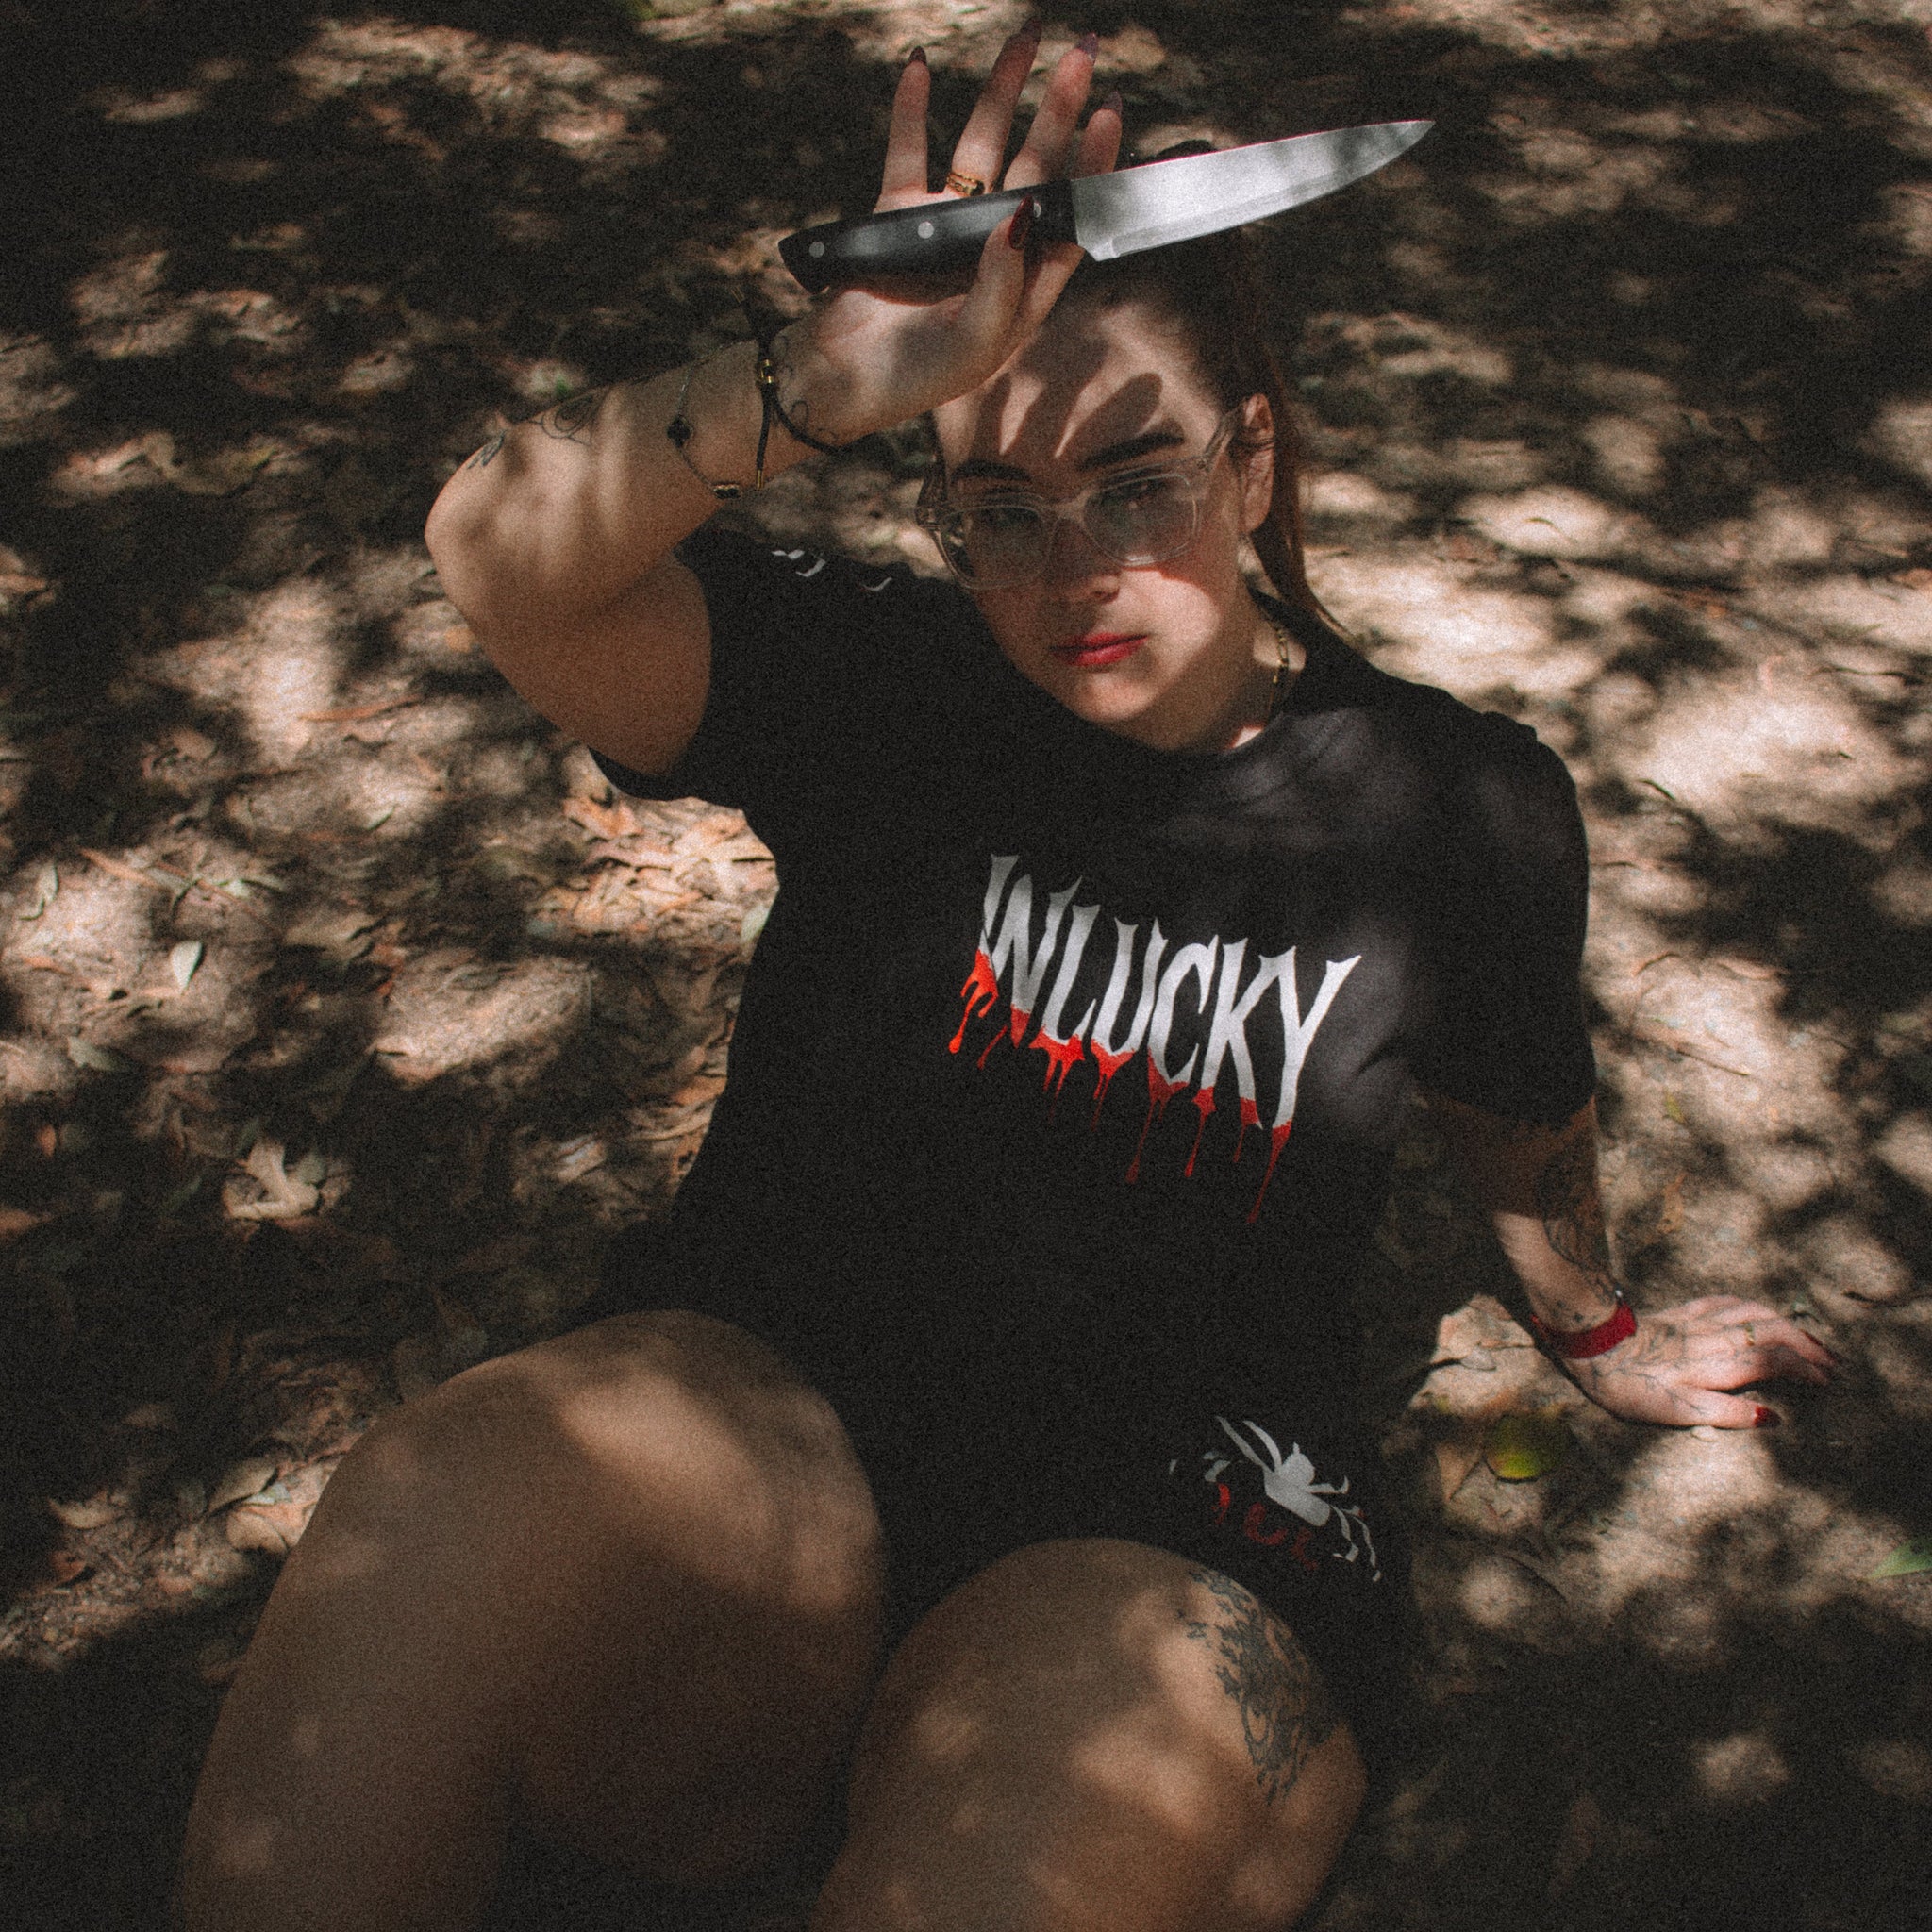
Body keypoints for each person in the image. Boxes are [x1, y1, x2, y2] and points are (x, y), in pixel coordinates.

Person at [177, 24, 1838, 1932]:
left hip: (1183, 1513)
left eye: (1138, 480)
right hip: (771, 1405)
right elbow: (496, 556)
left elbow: (1513, 1100)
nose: (1072, 571)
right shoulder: (888, 682)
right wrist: (808, 386)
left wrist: (1594, 1326)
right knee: (429, 1517)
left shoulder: (1452, 804)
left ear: (1256, 451)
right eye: (999, 508)